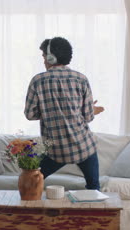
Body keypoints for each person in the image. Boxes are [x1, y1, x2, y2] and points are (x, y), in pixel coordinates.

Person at [24, 37, 104, 190]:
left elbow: (30, 114)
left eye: (43, 56)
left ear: (50, 57)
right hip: (83, 146)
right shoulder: (81, 79)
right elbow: (88, 116)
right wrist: (91, 110)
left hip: (56, 150)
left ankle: (30, 212)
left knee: (31, 184)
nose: (43, 61)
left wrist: (50, 109)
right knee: (94, 189)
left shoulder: (38, 80)